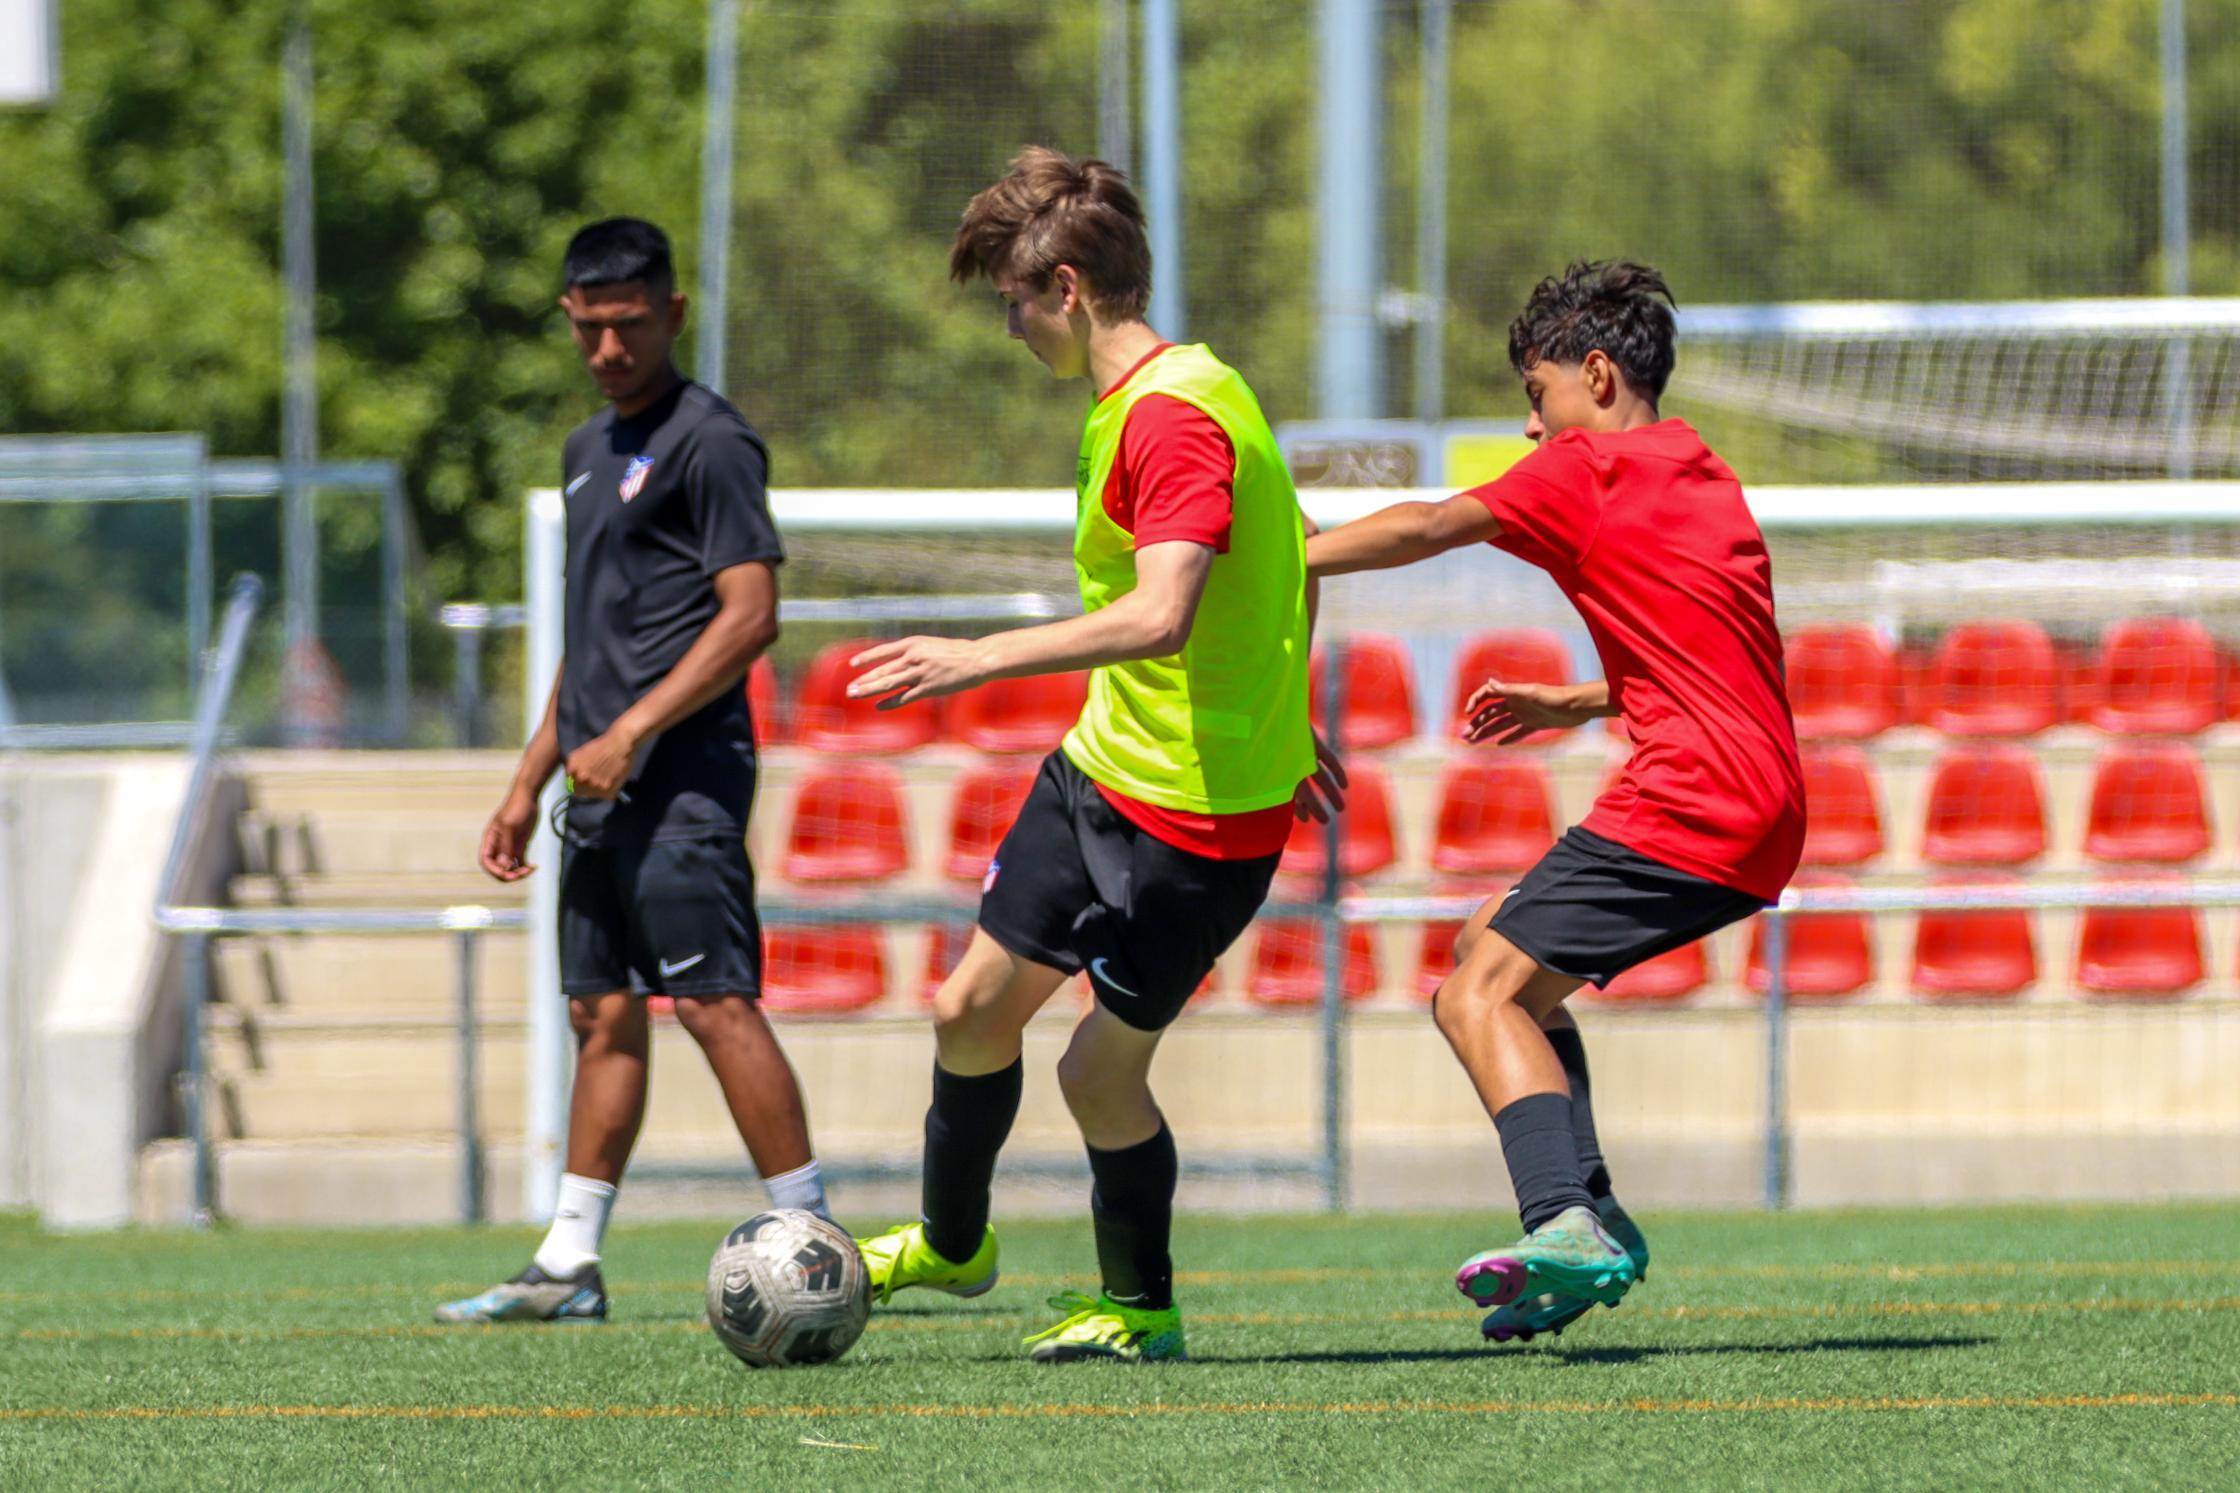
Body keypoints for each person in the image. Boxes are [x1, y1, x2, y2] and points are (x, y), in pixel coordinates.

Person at [843, 147, 1343, 1363]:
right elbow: (1294, 546)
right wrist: (1293, 703)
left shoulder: (1169, 419)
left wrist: (977, 657)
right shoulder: (1166, 391)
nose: (1007, 327)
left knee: (1093, 1077)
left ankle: (1140, 1306)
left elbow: (1165, 611)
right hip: (1099, 772)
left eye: (1012, 302)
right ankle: (953, 1244)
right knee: (967, 1011)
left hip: (1196, 822)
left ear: (1065, 287)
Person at [1305, 260, 1804, 1342]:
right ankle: (1591, 1212)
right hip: (1760, 798)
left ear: (1594, 374)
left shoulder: (1589, 467)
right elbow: (1715, 648)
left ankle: (1562, 1221)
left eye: (1536, 398)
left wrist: (1283, 557)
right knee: (1491, 951)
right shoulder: (1700, 470)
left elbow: (1429, 524)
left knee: (1470, 994)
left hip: (1693, 795)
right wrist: (1581, 699)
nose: (1533, 430)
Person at [437, 218, 828, 1324]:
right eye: (590, 328)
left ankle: (819, 1241)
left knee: (711, 1003)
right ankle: (568, 1262)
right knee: (599, 1010)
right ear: (568, 317)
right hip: (595, 786)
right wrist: (528, 779)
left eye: (630, 325)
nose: (610, 349)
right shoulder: (583, 451)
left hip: (686, 779)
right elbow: (593, 637)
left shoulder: (711, 441)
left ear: (673, 314)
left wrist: (637, 732)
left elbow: (751, 616)